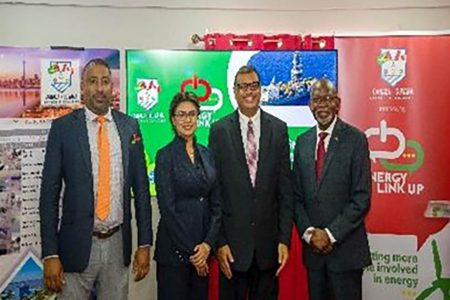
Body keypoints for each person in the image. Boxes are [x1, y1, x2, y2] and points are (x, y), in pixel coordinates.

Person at [39, 58, 152, 299]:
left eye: (105, 82)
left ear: (113, 87)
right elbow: (49, 195)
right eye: (92, 81)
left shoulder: (129, 126)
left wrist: (144, 244)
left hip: (117, 244)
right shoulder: (63, 129)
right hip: (76, 245)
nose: (100, 88)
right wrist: (50, 254)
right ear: (82, 87)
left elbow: (141, 190)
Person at [209, 65, 293, 300]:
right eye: (243, 86)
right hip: (232, 251)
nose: (249, 91)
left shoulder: (279, 130)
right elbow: (215, 193)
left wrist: (284, 240)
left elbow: (285, 191)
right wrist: (220, 243)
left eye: (254, 85)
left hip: (268, 250)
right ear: (234, 92)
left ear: (261, 90)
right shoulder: (218, 131)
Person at [293, 78, 372, 300]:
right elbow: (296, 197)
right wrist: (310, 234)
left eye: (328, 99)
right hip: (314, 256)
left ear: (337, 103)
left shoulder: (356, 140)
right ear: (310, 105)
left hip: (345, 254)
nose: (322, 105)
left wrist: (329, 234)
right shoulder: (302, 142)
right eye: (317, 100)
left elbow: (361, 198)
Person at [154, 92, 222, 300]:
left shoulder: (208, 154)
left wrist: (207, 245)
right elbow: (168, 208)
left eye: (192, 114)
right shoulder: (164, 155)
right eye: (181, 114)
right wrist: (194, 252)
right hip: (175, 254)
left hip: (203, 252)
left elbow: (217, 205)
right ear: (173, 120)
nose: (187, 119)